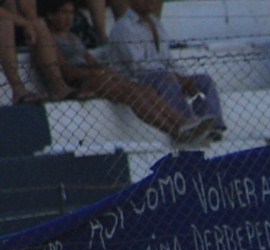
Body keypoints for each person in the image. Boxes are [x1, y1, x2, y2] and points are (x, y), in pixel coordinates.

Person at [40, 0, 215, 144]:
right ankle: (175, 130)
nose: (68, 18)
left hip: (98, 74)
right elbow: (66, 71)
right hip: (84, 80)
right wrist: (95, 73)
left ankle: (183, 123)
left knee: (145, 90)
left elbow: (89, 60)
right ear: (50, 15)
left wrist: (104, 71)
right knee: (132, 93)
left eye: (71, 13)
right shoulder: (50, 38)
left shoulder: (74, 37)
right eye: (63, 13)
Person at [108, 0, 226, 140]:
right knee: (166, 78)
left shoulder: (155, 23)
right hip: (135, 80)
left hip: (162, 74)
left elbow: (167, 59)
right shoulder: (123, 27)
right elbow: (138, 66)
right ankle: (187, 125)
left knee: (203, 81)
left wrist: (184, 77)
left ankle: (213, 127)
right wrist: (177, 77)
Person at [1, 0, 77, 102]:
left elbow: (30, 10)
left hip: (15, 22)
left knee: (39, 23)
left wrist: (30, 23)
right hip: (6, 24)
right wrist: (25, 24)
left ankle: (58, 86)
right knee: (4, 24)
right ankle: (18, 90)